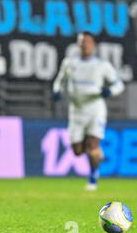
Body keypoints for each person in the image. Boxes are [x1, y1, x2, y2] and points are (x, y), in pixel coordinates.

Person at [52, 31, 125, 191]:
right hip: (76, 110)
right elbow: (59, 80)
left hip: (95, 109)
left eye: (88, 42)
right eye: (82, 42)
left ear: (93, 45)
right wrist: (56, 91)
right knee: (77, 151)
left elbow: (119, 85)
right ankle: (95, 152)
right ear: (78, 45)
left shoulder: (102, 65)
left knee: (92, 144)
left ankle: (93, 176)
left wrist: (109, 91)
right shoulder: (69, 63)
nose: (85, 45)